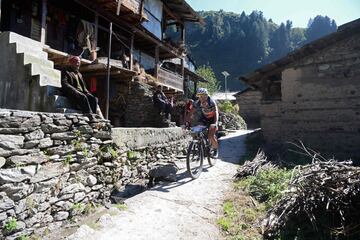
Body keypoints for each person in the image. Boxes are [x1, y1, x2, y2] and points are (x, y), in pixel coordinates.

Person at [191, 88, 219, 158]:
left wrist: (215, 123)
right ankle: (200, 146)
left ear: (206, 96)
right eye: (199, 96)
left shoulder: (211, 102)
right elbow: (191, 113)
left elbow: (216, 112)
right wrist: (185, 122)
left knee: (210, 136)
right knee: (195, 133)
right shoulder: (197, 103)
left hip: (212, 119)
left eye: (203, 96)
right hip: (203, 119)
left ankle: (215, 150)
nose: (201, 98)